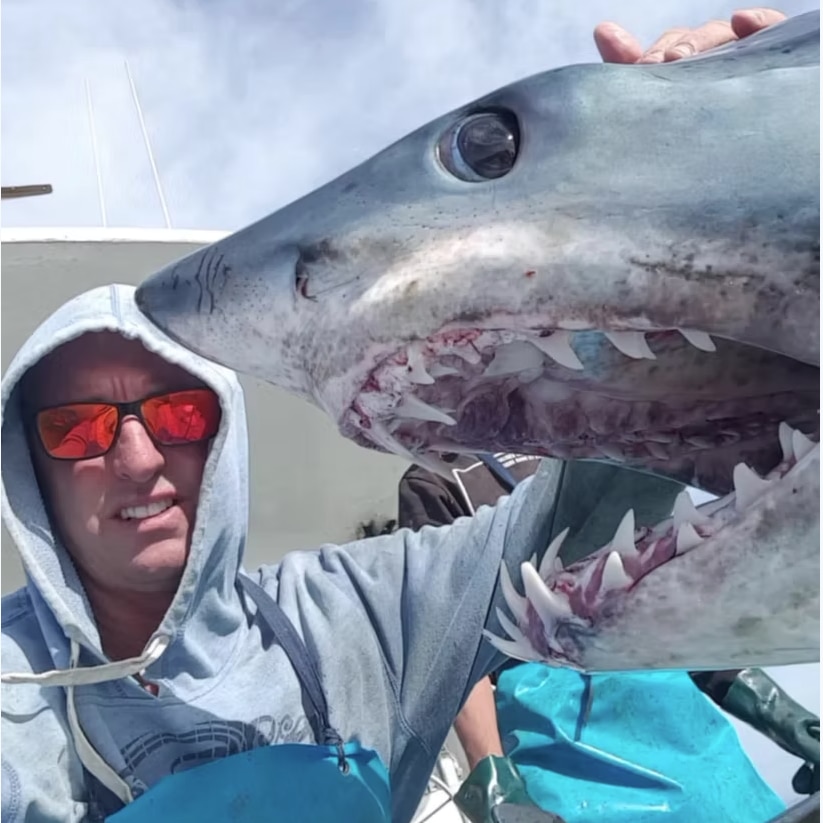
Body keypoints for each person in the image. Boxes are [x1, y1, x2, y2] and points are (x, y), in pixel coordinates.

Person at [0, 12, 801, 823]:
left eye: (175, 414)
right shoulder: (9, 684)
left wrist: (668, 172)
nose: (137, 458)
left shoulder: (351, 613)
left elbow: (580, 510)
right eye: (79, 429)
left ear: (222, 437)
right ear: (29, 467)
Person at [398, 454, 819, 822]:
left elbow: (668, 592)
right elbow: (451, 651)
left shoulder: (595, 441)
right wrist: (493, 778)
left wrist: (780, 714)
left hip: (684, 723)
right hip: (561, 745)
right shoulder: (438, 482)